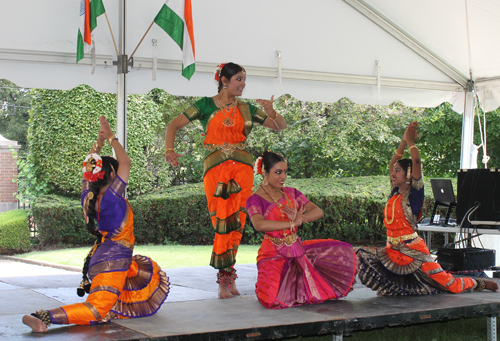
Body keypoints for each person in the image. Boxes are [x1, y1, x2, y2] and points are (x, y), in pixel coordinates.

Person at [22, 116, 170, 333]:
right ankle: (42, 316)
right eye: (116, 171)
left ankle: (110, 307)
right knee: (96, 310)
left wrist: (97, 145)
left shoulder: (87, 197)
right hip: (112, 260)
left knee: (136, 278)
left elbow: (87, 168)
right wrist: (109, 136)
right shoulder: (111, 198)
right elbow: (126, 162)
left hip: (106, 257)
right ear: (112, 174)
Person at [164, 62, 287, 299]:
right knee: (221, 224)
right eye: (238, 79)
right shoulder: (205, 105)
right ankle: (224, 280)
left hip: (242, 170)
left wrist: (272, 111)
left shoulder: (248, 109)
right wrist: (169, 150)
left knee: (237, 223)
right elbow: (174, 125)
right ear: (224, 80)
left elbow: (279, 127)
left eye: (243, 80)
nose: (242, 84)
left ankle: (227, 278)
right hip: (216, 170)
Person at [356, 122, 498, 295]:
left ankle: (478, 283)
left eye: (398, 171)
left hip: (413, 249)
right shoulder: (394, 192)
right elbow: (393, 161)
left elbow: (416, 161)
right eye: (393, 171)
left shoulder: (414, 193)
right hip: (392, 249)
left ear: (409, 174)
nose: (393, 174)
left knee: (448, 284)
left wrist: (410, 141)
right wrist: (403, 141)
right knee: (391, 284)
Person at [246, 151, 358, 309]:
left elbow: (317, 211)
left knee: (341, 251)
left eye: (285, 172)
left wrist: (299, 218)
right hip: (272, 253)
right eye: (278, 172)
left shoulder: (291, 193)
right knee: (270, 300)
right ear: (264, 172)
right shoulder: (255, 199)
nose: (283, 177)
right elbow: (259, 224)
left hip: (297, 249)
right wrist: (292, 224)